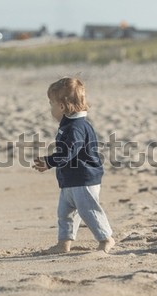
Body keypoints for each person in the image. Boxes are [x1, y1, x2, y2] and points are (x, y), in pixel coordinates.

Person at [33, 77, 115, 254]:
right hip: (70, 179)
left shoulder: (76, 127)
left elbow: (69, 151)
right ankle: (64, 243)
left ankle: (106, 238)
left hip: (83, 179)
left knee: (89, 211)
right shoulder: (69, 125)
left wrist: (49, 161)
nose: (50, 109)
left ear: (62, 107)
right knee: (65, 213)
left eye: (51, 104)